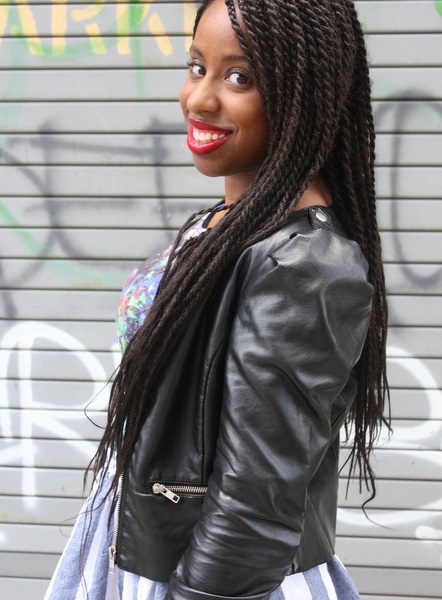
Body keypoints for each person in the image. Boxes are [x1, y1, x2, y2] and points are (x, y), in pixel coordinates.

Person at [44, 0, 389, 598]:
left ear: (306, 92)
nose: (199, 99)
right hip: (143, 547)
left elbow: (256, 500)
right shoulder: (229, 224)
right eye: (197, 66)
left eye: (240, 77)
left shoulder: (303, 264)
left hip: (210, 575)